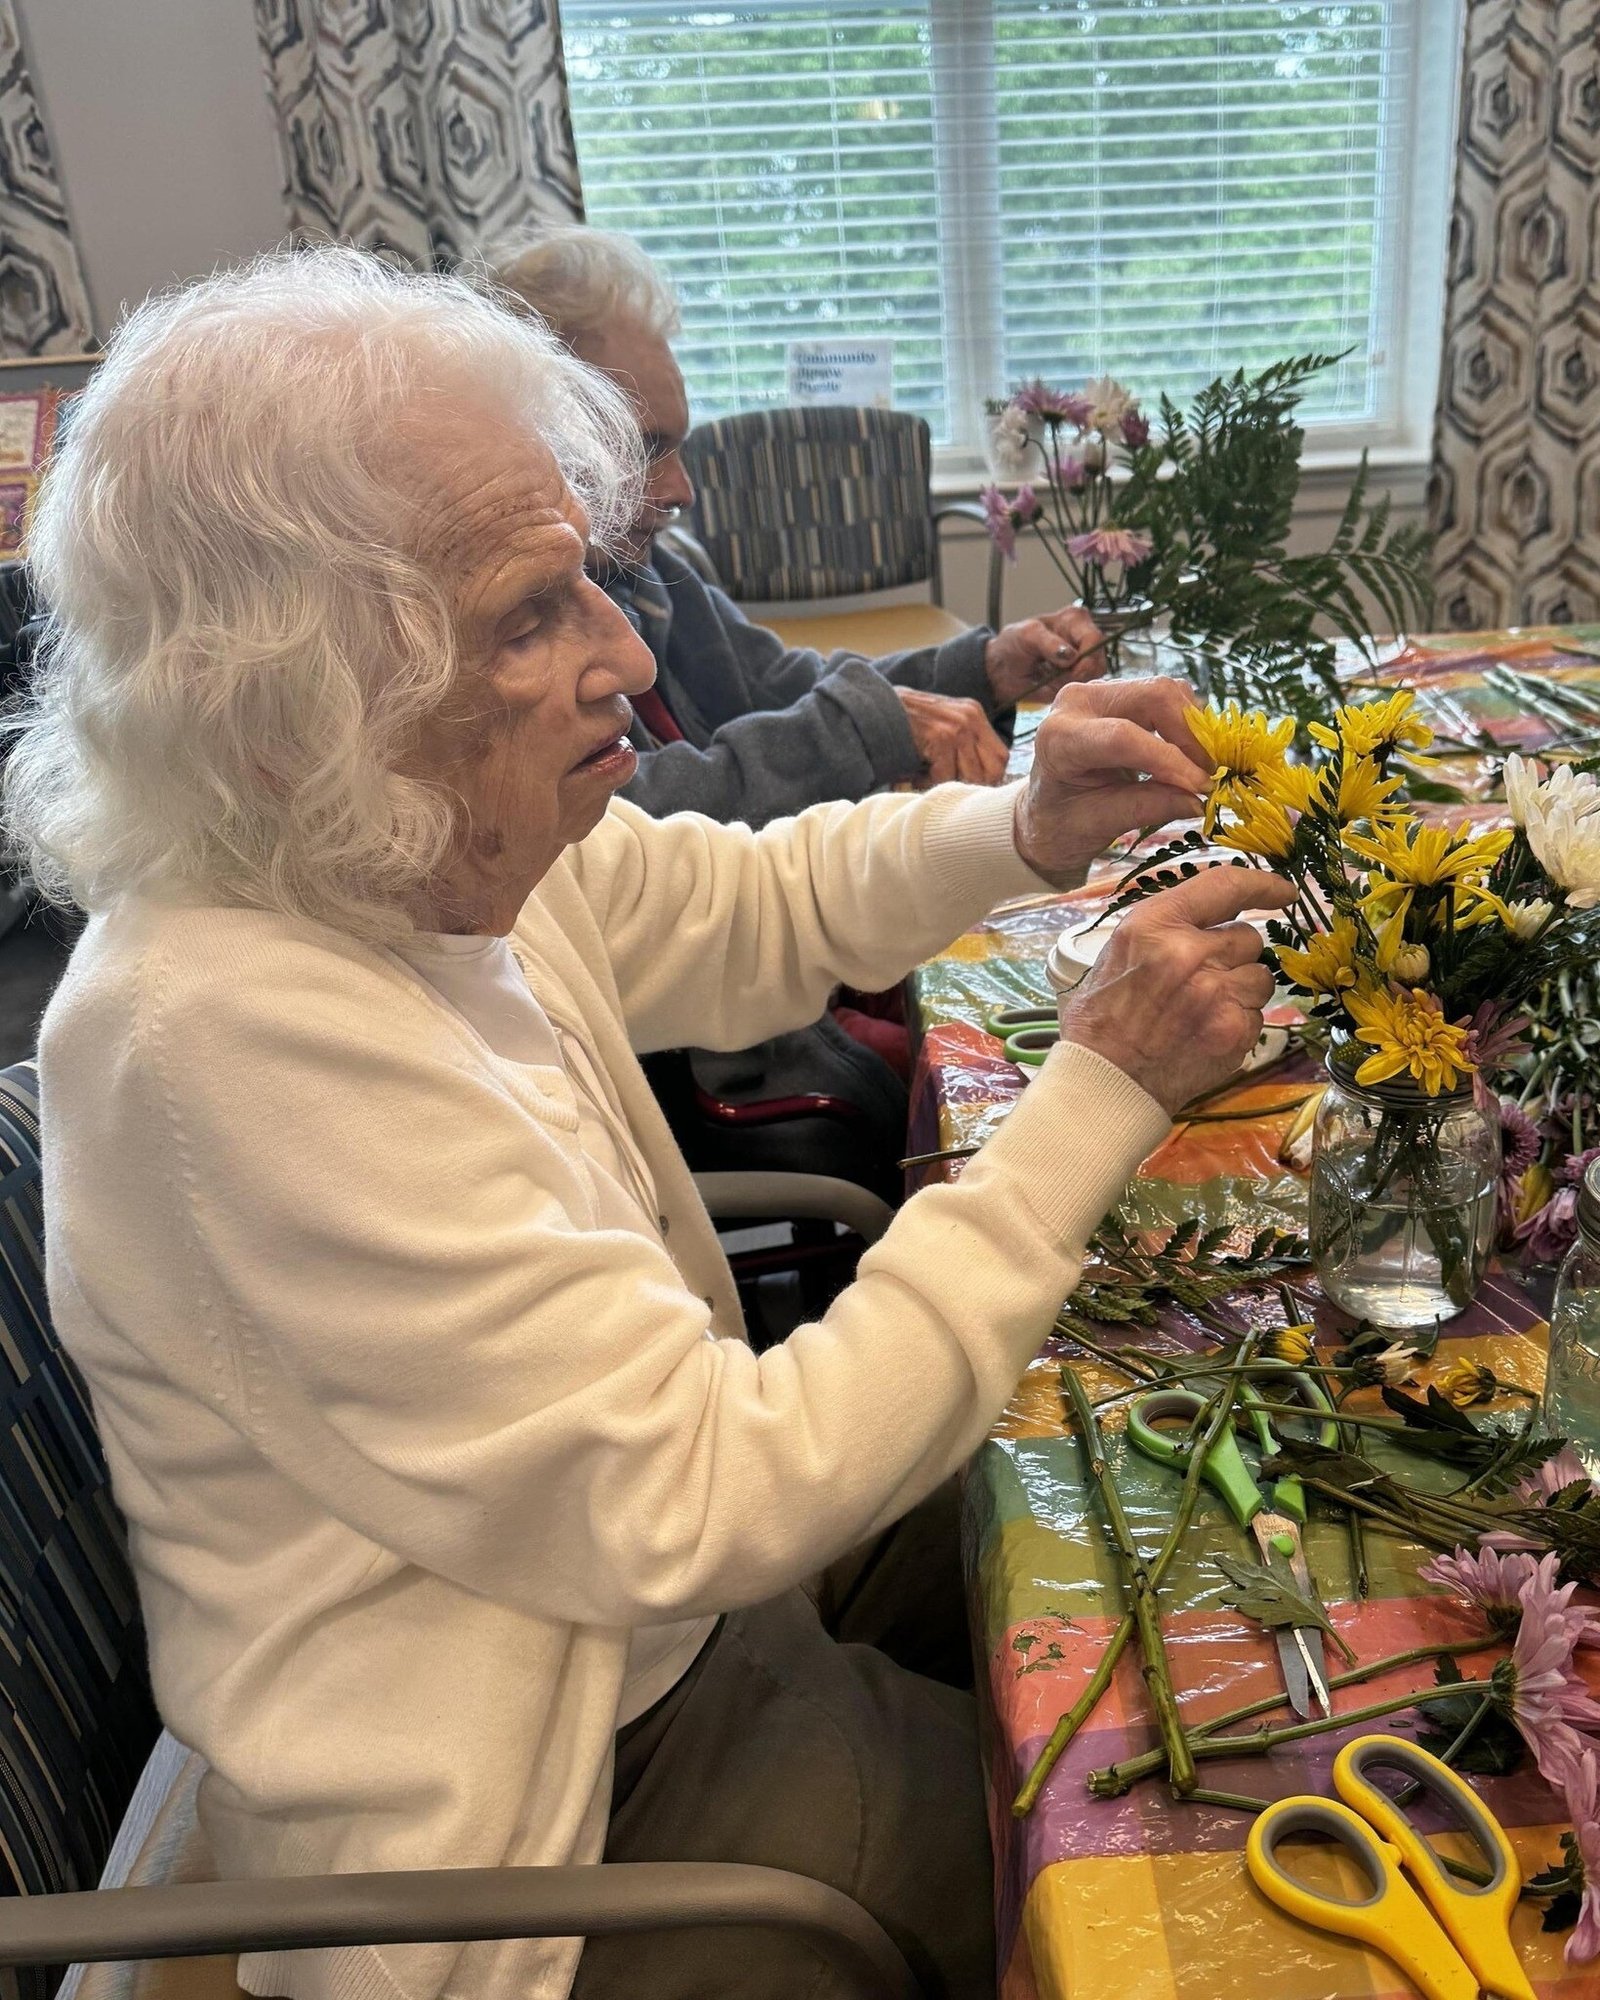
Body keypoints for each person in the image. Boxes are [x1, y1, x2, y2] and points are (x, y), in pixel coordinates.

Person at [6, 248, 1287, 2000]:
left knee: (1143, 1507)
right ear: (296, 696)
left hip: (654, 1627)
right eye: (536, 611)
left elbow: (742, 901)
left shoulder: (384, 838)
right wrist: (1101, 1092)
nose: (625, 649)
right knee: (1169, 1877)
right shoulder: (220, 1036)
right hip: (561, 1822)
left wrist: (1024, 833)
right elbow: (717, 1492)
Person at [484, 226, 1105, 825]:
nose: (683, 491)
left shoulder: (647, 576)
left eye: (678, 447)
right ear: (531, 444)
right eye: (644, 449)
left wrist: (988, 666)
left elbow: (783, 686)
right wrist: (863, 726)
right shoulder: (498, 646)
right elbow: (634, 817)